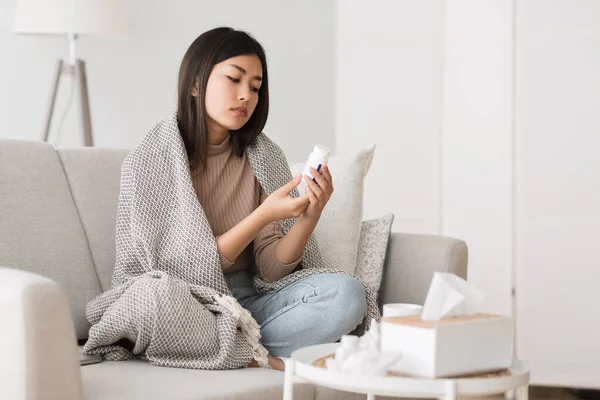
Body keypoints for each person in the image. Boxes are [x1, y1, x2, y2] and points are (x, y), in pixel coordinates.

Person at [174, 27, 367, 370]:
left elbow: (272, 270)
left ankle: (241, 351)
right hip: (190, 305)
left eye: (255, 87)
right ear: (195, 84)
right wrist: (262, 215)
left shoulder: (264, 156)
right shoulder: (159, 157)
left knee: (347, 294)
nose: (245, 95)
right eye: (234, 79)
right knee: (156, 310)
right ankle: (250, 353)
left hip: (250, 302)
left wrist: (310, 215)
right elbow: (183, 267)